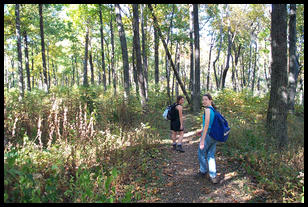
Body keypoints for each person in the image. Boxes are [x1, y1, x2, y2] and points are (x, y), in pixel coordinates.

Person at [195, 93, 219, 184]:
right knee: (211, 155)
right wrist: (201, 131)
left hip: (208, 135)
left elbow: (207, 125)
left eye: (206, 99)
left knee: (201, 152)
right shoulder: (213, 110)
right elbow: (209, 124)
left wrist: (202, 139)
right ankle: (213, 176)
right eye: (203, 99)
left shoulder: (207, 110)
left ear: (210, 100)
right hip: (214, 135)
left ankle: (203, 171)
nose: (204, 101)